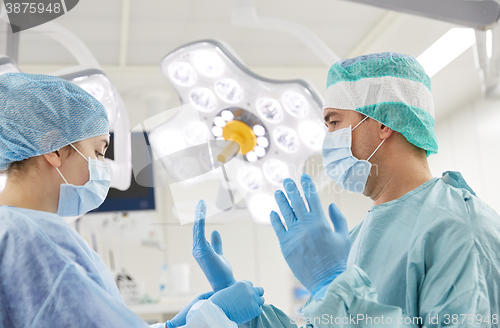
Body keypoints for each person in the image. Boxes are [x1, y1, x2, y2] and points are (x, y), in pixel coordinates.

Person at [192, 53, 500, 327]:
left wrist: (333, 287)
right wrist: (247, 316)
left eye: (334, 122)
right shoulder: (357, 239)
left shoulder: (460, 230)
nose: (327, 138)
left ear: (383, 122)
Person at [0, 73, 265, 328]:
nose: (104, 167)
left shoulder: (16, 231)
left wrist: (172, 326)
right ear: (55, 149)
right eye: (99, 152)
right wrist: (212, 318)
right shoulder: (34, 238)